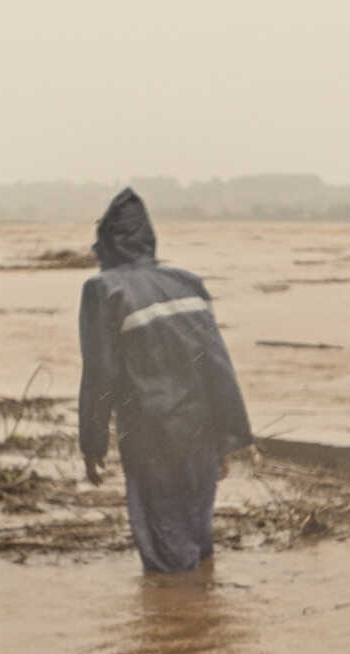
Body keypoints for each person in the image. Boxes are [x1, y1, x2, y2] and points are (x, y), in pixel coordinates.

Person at [78, 189, 254, 576]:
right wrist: (229, 438)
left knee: (164, 551)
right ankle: (200, 623)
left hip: (151, 437)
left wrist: (92, 443)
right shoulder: (187, 282)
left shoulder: (102, 290)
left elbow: (99, 374)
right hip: (200, 432)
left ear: (106, 243)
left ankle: (175, 627)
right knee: (197, 538)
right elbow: (217, 364)